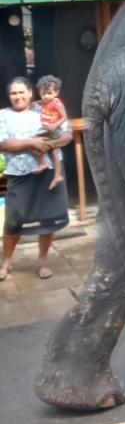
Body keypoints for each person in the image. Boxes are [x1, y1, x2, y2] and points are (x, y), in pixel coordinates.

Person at [0, 77, 72, 281]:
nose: (18, 97)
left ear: (31, 92)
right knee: (13, 222)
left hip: (49, 170)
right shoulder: (3, 115)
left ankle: (43, 262)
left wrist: (49, 145)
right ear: (9, 96)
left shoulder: (44, 108)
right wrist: (32, 142)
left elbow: (66, 134)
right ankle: (6, 262)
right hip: (19, 172)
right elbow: (3, 144)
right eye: (14, 93)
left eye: (22, 92)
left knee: (47, 220)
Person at [33, 75, 68, 189]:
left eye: (49, 93)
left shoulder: (57, 103)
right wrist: (35, 102)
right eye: (43, 94)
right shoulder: (43, 102)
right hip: (46, 129)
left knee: (38, 143)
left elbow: (64, 117)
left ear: (56, 92)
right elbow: (40, 101)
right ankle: (55, 173)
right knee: (51, 150)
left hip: (54, 130)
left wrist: (55, 125)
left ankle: (47, 166)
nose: (46, 97)